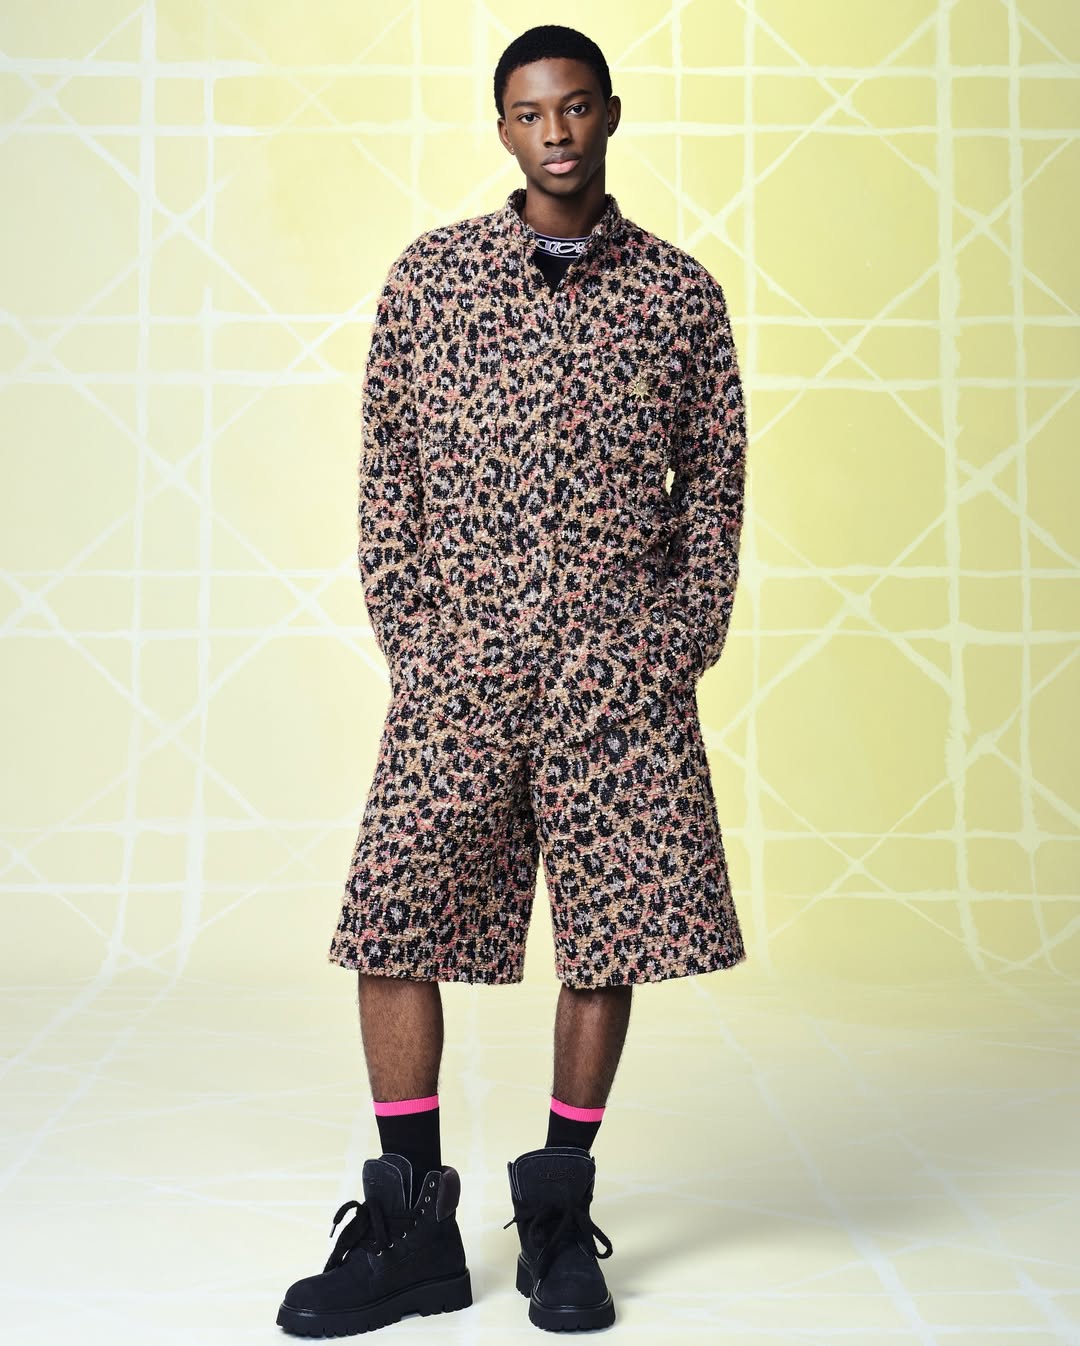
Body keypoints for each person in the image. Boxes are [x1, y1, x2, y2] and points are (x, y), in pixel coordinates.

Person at [276, 22, 748, 1338]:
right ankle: (413, 1228)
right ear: (503, 130)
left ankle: (555, 1215)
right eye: (531, 113)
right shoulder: (431, 281)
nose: (556, 132)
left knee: (611, 932)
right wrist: (419, 637)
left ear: (610, 115)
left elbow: (715, 482)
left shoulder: (679, 295)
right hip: (464, 666)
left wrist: (675, 640)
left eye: (576, 107)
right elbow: (388, 470)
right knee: (393, 916)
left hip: (617, 673)